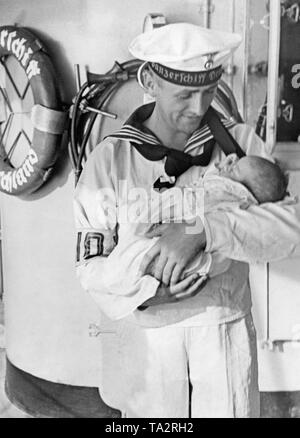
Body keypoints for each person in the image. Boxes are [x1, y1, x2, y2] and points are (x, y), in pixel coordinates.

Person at [74, 23, 300, 418]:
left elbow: (292, 226)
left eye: (208, 92)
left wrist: (203, 232)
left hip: (224, 334)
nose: (199, 108)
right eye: (185, 94)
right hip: (148, 339)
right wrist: (145, 292)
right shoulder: (111, 160)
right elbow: (90, 265)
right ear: (150, 81)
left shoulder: (240, 146)